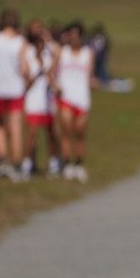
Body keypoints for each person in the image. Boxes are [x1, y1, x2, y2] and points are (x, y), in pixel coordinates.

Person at [52, 22, 95, 183]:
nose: (74, 38)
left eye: (77, 36)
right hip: (66, 98)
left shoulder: (88, 54)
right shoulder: (62, 52)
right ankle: (66, 163)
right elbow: (50, 72)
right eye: (71, 35)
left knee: (80, 134)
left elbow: (89, 76)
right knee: (66, 131)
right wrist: (55, 86)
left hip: (82, 98)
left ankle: (79, 164)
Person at [0, 8, 27, 181]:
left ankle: (3, 161)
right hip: (15, 88)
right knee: (16, 128)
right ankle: (17, 164)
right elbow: (24, 67)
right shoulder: (20, 42)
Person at [21, 19, 59, 179]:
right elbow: (26, 79)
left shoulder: (49, 54)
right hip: (33, 98)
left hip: (47, 99)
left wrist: (47, 37)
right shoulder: (27, 53)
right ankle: (28, 163)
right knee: (32, 133)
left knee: (51, 131)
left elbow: (58, 53)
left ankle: (54, 162)